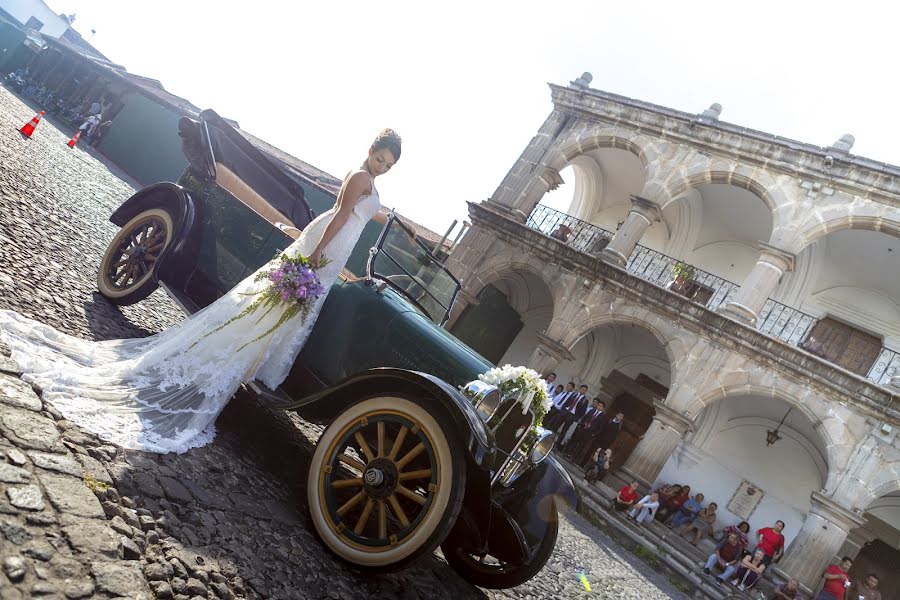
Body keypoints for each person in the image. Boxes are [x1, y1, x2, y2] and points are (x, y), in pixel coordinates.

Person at [0, 129, 402, 453]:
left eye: (389, 165)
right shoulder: (360, 176)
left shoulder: (370, 184)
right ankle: (231, 358)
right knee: (269, 306)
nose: (382, 167)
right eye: (380, 158)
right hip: (325, 248)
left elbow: (368, 210)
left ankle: (249, 363)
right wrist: (314, 255)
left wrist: (397, 221)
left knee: (283, 311)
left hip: (333, 253)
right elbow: (343, 215)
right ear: (370, 150)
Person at [566, 398, 606, 463]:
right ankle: (569, 453)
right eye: (598, 405)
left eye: (601, 406)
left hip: (589, 432)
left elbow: (600, 428)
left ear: (603, 408)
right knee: (576, 441)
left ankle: (575, 458)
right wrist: (581, 425)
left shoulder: (602, 416)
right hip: (583, 428)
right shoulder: (592, 410)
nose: (599, 407)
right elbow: (585, 417)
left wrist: (594, 434)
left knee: (582, 445)